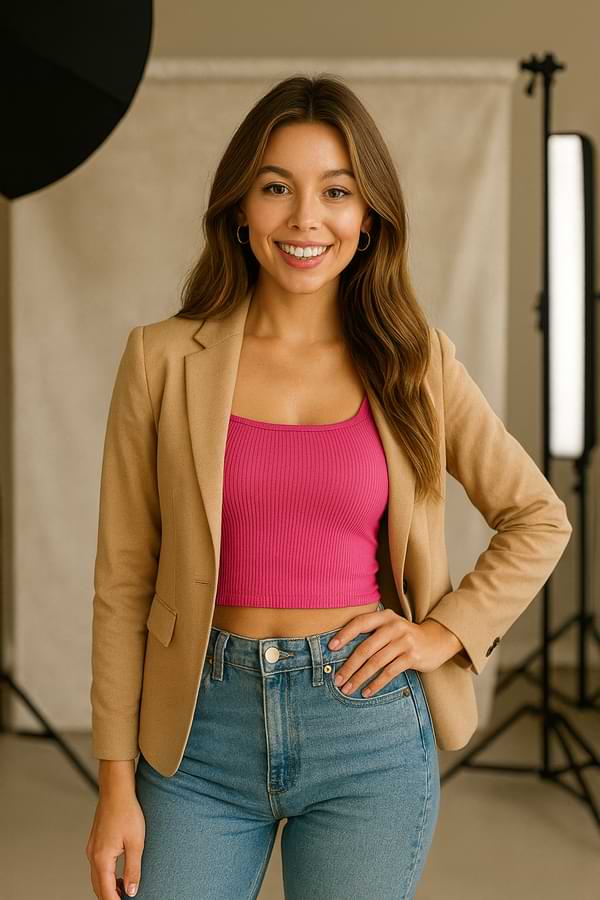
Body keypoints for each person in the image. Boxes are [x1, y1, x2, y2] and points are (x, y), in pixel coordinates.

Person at [85, 75, 572, 900]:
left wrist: (443, 633)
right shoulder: (161, 361)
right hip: (198, 734)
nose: (306, 218)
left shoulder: (415, 363)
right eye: (277, 187)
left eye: (336, 191)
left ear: (368, 217)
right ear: (241, 209)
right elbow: (123, 581)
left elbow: (537, 516)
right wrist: (114, 786)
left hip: (367, 731)